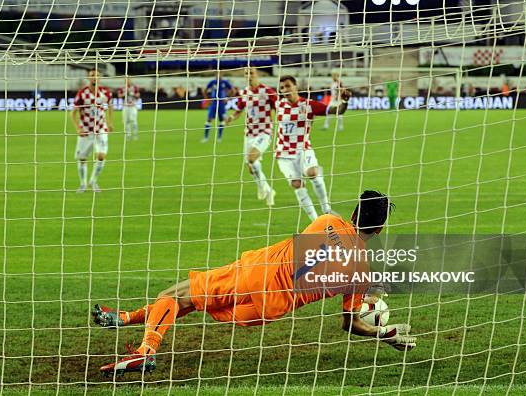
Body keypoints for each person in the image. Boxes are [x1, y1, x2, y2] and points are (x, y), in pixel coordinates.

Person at [92, 190, 416, 376]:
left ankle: (145, 351)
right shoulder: (361, 271)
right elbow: (350, 323)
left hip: (253, 275)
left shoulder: (327, 221)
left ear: (354, 213)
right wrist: (382, 333)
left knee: (173, 296)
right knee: (194, 301)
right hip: (270, 309)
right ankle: (123, 318)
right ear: (380, 230)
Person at [275, 75, 350, 221]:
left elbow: (338, 111)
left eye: (288, 86)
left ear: (295, 86)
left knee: (312, 172)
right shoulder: (278, 104)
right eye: (282, 87)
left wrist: (345, 101)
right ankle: (316, 221)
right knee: (297, 184)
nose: (285, 89)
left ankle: (326, 208)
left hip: (303, 148)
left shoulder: (308, 105)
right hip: (283, 153)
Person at [226, 67, 277, 206]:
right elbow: (238, 110)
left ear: (257, 74)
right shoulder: (243, 93)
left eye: (252, 73)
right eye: (246, 73)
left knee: (251, 158)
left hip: (265, 131)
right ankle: (265, 189)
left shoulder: (267, 91)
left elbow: (278, 106)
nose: (249, 76)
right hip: (249, 133)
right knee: (251, 167)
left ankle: (266, 189)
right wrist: (231, 117)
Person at [72, 69, 114, 193]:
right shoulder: (82, 93)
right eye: (92, 75)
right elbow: (73, 113)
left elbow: (110, 106)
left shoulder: (105, 92)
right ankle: (83, 184)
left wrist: (110, 122)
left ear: (99, 78)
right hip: (86, 130)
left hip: (101, 129)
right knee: (82, 158)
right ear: (88, 78)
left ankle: (93, 181)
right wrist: (77, 128)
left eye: (97, 75)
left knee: (101, 156)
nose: (94, 77)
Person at [201, 71, 233, 143]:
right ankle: (206, 138)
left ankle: (219, 138)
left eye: (220, 74)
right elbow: (205, 90)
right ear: (215, 75)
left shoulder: (225, 82)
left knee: (222, 120)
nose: (218, 75)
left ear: (222, 75)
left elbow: (232, 90)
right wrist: (207, 99)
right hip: (214, 103)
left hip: (221, 103)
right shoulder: (212, 82)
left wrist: (228, 98)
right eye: (217, 74)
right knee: (209, 119)